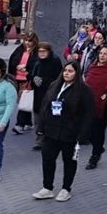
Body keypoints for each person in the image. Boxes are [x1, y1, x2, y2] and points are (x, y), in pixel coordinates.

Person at [33, 61, 93, 202]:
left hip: (70, 133)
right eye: (65, 70)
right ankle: (47, 187)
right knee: (47, 159)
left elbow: (88, 114)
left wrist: (82, 134)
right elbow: (45, 106)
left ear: (77, 73)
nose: (66, 73)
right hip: (52, 130)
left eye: (70, 71)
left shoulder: (84, 91)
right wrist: (41, 127)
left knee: (69, 161)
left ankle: (66, 188)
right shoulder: (55, 85)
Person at [28, 42, 63, 151]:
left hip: (52, 94)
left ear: (49, 51)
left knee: (52, 117)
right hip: (38, 94)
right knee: (38, 118)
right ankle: (40, 139)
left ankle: (52, 138)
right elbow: (31, 74)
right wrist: (33, 79)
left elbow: (59, 78)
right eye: (40, 51)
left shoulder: (55, 60)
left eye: (44, 51)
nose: (41, 54)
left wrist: (44, 81)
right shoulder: (37, 61)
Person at [10, 31, 39, 134]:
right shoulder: (20, 49)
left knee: (23, 99)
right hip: (17, 78)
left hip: (27, 79)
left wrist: (26, 68)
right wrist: (16, 66)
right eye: (26, 40)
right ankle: (28, 122)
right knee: (24, 100)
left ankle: (19, 124)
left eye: (30, 41)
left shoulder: (36, 51)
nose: (27, 43)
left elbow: (36, 64)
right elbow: (13, 59)